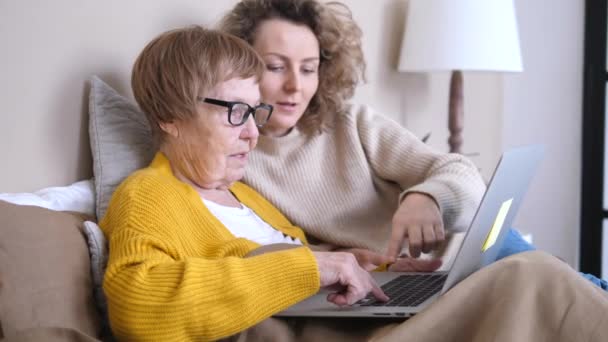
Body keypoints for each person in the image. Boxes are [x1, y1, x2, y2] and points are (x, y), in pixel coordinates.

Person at [99, 24, 608, 342]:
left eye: (254, 111)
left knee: (523, 269)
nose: (253, 131)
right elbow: (136, 305)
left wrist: (372, 265)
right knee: (530, 278)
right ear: (169, 116)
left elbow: (303, 259)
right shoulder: (150, 195)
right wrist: (312, 267)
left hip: (360, 317)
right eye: (236, 112)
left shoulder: (245, 196)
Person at [219, 0, 608, 289]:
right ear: (239, 65)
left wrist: (429, 198)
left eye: (308, 68)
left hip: (472, 246)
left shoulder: (350, 123)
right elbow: (270, 252)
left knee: (584, 291)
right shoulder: (230, 160)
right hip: (421, 280)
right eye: (275, 66)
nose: (296, 86)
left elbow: (462, 174)